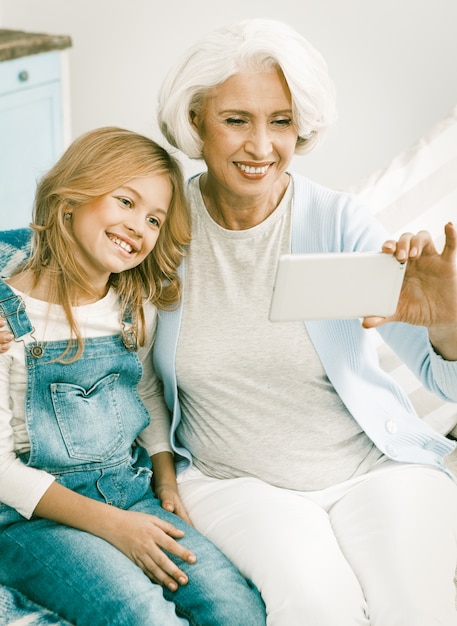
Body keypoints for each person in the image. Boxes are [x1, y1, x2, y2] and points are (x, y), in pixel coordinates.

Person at [150, 18, 457, 626]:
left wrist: (449, 326)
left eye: (281, 121)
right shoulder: (161, 227)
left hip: (372, 466)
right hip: (234, 481)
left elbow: (443, 384)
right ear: (195, 123)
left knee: (419, 606)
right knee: (319, 606)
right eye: (236, 120)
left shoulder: (342, 223)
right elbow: (112, 349)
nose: (261, 147)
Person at [0, 126, 266, 626]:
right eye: (125, 201)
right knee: (142, 615)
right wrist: (118, 529)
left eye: (153, 219)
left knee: (235, 608)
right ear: (70, 200)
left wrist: (164, 474)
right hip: (31, 517)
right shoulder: (7, 319)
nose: (138, 227)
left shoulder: (131, 308)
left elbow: (142, 388)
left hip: (128, 491)